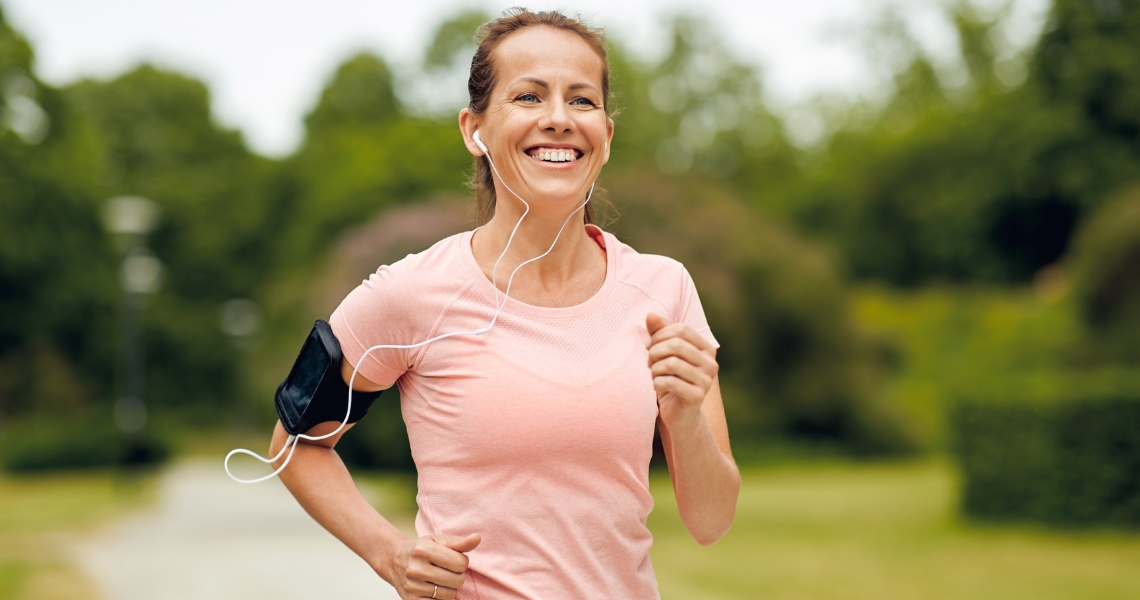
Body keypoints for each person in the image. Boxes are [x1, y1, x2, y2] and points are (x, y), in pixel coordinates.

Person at [268, 9, 740, 600]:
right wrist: (387, 552)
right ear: (475, 129)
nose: (559, 119)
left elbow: (711, 521)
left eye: (583, 100)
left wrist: (686, 414)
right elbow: (295, 443)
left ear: (607, 137)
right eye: (529, 96)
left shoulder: (663, 290)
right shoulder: (409, 293)